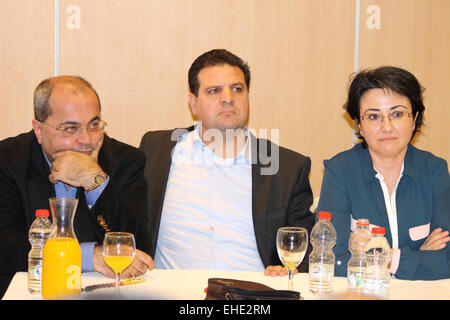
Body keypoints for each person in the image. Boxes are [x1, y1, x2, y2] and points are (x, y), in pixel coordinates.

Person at [139, 49, 315, 276]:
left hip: (252, 296)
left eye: (237, 89)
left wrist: (290, 269)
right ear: (193, 103)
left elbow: (306, 247)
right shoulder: (156, 151)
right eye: (214, 91)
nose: (228, 98)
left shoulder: (287, 168)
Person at [0, 76, 153, 298]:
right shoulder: (8, 160)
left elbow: (138, 247)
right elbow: (5, 246)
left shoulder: (126, 161)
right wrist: (88, 257)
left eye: (93, 125)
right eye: (70, 129)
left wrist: (95, 180)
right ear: (39, 130)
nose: (87, 140)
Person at [317, 66, 450, 280]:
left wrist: (387, 257)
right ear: (359, 125)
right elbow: (330, 261)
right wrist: (419, 257)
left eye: (397, 114)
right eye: (373, 116)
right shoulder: (340, 171)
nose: (387, 127)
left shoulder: (435, 171)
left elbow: (447, 260)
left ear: (414, 118)